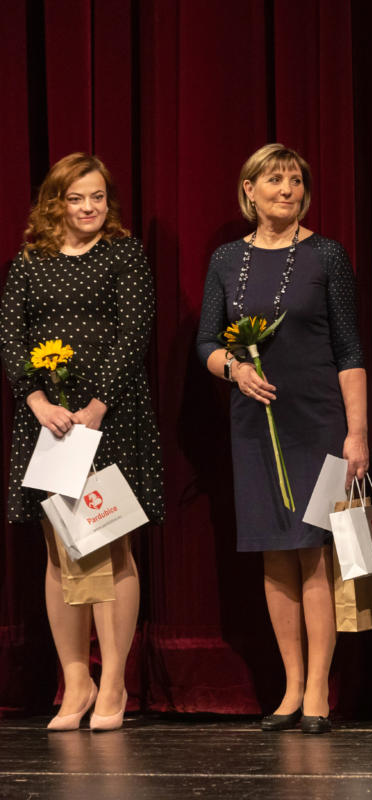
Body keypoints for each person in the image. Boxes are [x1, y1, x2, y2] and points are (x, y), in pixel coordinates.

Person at [196, 144, 368, 735]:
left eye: (296, 180)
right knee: (275, 550)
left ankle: (320, 685)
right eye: (274, 180)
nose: (287, 190)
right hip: (253, 425)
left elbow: (349, 349)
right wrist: (234, 369)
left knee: (314, 551)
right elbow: (204, 343)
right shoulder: (225, 259)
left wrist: (357, 432)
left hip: (317, 421)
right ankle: (291, 684)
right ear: (249, 190)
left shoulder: (327, 255)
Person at [1, 153, 164, 732]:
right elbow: (10, 332)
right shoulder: (30, 262)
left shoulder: (124, 255)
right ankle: (77, 681)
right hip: (48, 426)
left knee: (108, 544)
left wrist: (96, 405)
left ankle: (114, 680)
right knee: (59, 551)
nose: (90, 208)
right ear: (56, 204)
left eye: (98, 197)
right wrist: (37, 400)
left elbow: (134, 331)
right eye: (77, 198)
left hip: (108, 418)